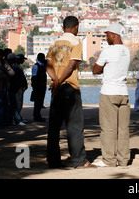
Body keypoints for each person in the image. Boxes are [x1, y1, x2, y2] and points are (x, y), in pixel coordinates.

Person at [46, 16, 93, 169]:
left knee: (54, 127)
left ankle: (53, 160)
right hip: (70, 87)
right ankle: (79, 160)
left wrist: (55, 81)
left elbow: (48, 66)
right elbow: (71, 65)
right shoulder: (76, 42)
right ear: (76, 28)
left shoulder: (54, 43)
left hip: (56, 89)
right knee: (74, 126)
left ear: (63, 28)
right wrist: (59, 82)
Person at [93, 23, 131, 167]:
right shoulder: (127, 51)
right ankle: (123, 159)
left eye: (107, 34)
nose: (106, 37)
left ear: (114, 35)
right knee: (123, 129)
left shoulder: (107, 51)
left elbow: (95, 70)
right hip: (123, 93)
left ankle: (108, 160)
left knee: (108, 128)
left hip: (109, 92)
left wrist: (103, 69)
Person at [0, 48, 15, 128]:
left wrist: (7, 73)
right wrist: (7, 74)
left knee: (5, 105)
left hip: (5, 86)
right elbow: (0, 75)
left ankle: (4, 121)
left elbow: (12, 72)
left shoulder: (5, 63)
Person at [7, 53, 26, 126]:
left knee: (15, 104)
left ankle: (15, 119)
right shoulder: (14, 67)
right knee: (16, 104)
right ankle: (16, 119)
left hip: (15, 88)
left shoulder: (15, 67)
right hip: (15, 88)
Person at [31, 53, 47, 122]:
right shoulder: (36, 66)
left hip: (42, 86)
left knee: (40, 102)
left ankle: (38, 115)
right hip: (38, 87)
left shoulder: (42, 66)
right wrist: (35, 88)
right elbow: (34, 78)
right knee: (37, 102)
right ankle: (36, 116)